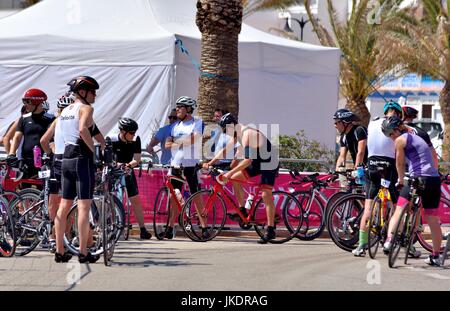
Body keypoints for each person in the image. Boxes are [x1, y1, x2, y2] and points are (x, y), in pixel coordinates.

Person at [351, 101, 419, 256]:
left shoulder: (373, 123)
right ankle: (399, 241)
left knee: (368, 208)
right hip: (389, 167)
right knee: (398, 207)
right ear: (397, 114)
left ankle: (361, 245)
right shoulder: (395, 124)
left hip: (372, 165)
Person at [206, 113, 280, 244]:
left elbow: (247, 161)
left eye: (226, 132)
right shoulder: (237, 134)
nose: (226, 135)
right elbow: (224, 150)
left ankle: (271, 229)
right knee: (235, 178)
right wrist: (210, 163)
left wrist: (228, 173)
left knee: (265, 193)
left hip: (269, 162)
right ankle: (242, 210)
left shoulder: (247, 134)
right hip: (258, 161)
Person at [382, 116, 443, 266]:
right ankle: (436, 256)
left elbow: (400, 163)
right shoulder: (415, 136)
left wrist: (401, 181)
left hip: (418, 178)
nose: (390, 137)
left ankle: (389, 240)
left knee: (399, 208)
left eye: (390, 133)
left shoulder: (400, 140)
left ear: (396, 130)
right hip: (433, 180)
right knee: (432, 220)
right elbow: (432, 157)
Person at [54, 75, 100, 263]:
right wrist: (95, 152)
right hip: (82, 159)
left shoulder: (65, 111)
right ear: (83, 92)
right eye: (93, 92)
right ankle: (82, 251)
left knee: (64, 205)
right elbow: (83, 130)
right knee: (83, 206)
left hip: (66, 158)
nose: (95, 95)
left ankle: (59, 250)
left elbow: (93, 130)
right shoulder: (86, 108)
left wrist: (102, 143)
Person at [163, 96, 206, 239]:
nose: (177, 110)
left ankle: (204, 227)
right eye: (177, 107)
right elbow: (167, 145)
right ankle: (170, 228)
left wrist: (177, 141)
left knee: (196, 197)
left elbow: (194, 139)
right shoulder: (175, 125)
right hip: (176, 165)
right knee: (174, 196)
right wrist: (182, 141)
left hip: (190, 165)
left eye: (180, 107)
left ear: (188, 109)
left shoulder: (197, 122)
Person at [111, 117, 152, 239]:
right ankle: (112, 226)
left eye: (135, 133)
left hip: (128, 170)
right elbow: (108, 158)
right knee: (112, 199)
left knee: (135, 199)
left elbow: (137, 159)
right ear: (123, 132)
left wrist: (128, 165)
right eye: (131, 133)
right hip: (115, 171)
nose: (134, 135)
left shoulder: (135, 140)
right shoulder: (112, 139)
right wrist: (116, 164)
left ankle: (142, 229)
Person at [6, 89, 55, 186]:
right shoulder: (24, 118)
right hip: (26, 162)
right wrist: (11, 154)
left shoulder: (50, 119)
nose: (25, 105)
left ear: (37, 102)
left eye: (28, 102)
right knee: (24, 192)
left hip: (44, 162)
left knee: (43, 192)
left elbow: (52, 140)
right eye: (24, 102)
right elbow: (17, 137)